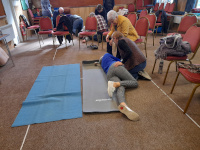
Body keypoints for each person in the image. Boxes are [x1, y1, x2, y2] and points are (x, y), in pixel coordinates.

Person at [95, 53, 139, 121]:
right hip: (115, 66)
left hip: (109, 74)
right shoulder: (106, 55)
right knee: (134, 82)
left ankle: (123, 104)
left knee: (121, 86)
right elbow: (119, 60)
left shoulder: (102, 65)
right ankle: (115, 84)